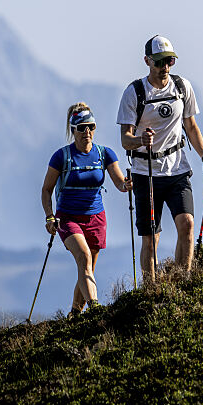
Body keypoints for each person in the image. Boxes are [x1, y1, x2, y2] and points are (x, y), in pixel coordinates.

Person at [117, 34, 203, 280]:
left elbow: (191, 127)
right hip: (146, 172)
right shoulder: (135, 92)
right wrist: (141, 140)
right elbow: (125, 139)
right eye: (160, 62)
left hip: (177, 169)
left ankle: (181, 281)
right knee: (151, 239)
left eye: (170, 61)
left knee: (187, 224)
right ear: (147, 61)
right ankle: (151, 290)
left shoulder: (182, 87)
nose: (165, 67)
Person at [41, 102, 132, 316]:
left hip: (96, 218)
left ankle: (75, 314)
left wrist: (126, 185)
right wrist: (49, 217)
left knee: (88, 267)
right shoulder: (61, 156)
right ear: (73, 130)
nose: (87, 132)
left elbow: (119, 182)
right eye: (81, 128)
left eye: (91, 126)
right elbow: (46, 190)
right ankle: (96, 310)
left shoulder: (105, 154)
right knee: (83, 257)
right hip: (68, 218)